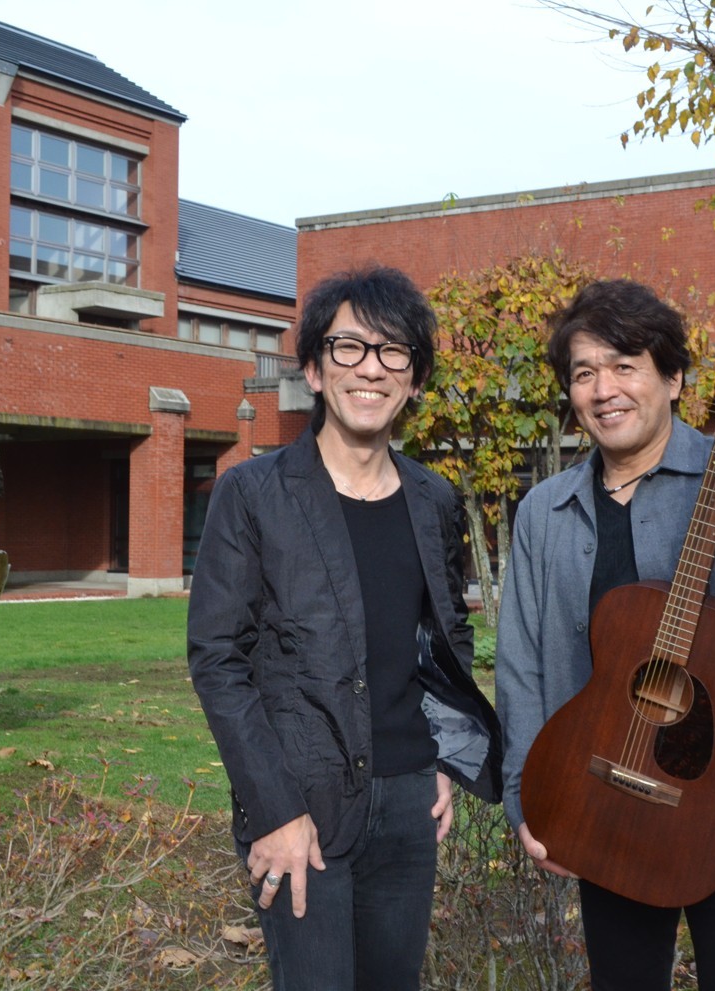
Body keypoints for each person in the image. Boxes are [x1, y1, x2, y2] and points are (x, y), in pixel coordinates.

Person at [494, 278, 715, 990]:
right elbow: (520, 664)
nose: (604, 390)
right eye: (584, 373)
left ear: (674, 378)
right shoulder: (543, 511)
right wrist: (524, 794)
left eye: (625, 366)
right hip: (602, 791)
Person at [187, 265, 502, 991]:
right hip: (302, 802)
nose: (371, 368)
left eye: (393, 352)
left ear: (414, 379)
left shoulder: (433, 499)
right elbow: (217, 660)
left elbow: (447, 638)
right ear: (314, 369)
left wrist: (445, 759)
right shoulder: (253, 494)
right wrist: (274, 809)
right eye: (349, 347)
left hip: (410, 798)